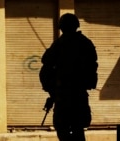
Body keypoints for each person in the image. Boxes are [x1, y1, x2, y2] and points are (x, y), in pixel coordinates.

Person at [40, 13, 98, 141]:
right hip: (78, 96)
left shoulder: (60, 44)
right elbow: (92, 69)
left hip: (63, 96)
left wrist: (52, 90)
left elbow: (46, 65)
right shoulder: (85, 43)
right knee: (78, 130)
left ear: (61, 27)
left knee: (63, 130)